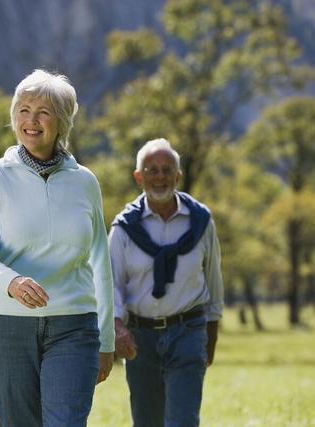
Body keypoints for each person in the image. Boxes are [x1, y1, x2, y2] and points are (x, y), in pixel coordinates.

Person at [0, 69, 115, 427]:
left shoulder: (85, 182)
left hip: (74, 327)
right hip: (8, 326)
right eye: (23, 109)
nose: (31, 121)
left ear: (61, 122)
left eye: (43, 111)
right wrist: (11, 282)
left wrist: (106, 339)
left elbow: (100, 261)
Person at [109, 138, 224, 427]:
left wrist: (211, 334)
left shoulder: (201, 222)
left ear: (178, 176)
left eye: (166, 169)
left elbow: (214, 280)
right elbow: (111, 285)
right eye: (151, 170)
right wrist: (117, 326)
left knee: (182, 421)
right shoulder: (123, 229)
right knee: (147, 421)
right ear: (139, 177)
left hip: (188, 332)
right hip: (140, 337)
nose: (159, 177)